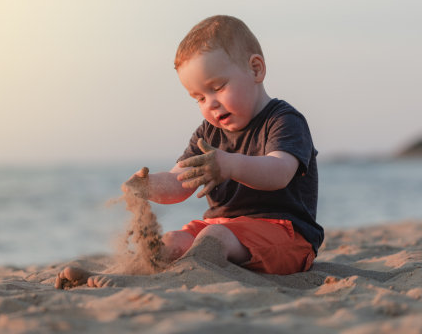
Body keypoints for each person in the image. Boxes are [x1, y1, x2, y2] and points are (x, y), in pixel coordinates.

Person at [55, 15, 323, 289]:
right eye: (199, 98)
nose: (211, 104)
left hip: (285, 235)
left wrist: (230, 165)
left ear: (255, 70)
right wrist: (147, 187)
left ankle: (187, 273)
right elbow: (178, 181)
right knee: (172, 241)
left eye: (218, 88)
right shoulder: (208, 133)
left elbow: (279, 172)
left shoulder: (284, 121)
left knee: (214, 236)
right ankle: (129, 273)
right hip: (223, 229)